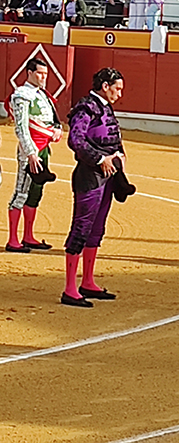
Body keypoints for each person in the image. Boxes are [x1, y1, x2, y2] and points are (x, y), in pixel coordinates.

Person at [62, 67, 126, 307]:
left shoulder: (106, 108)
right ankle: (70, 289)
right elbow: (75, 140)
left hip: (107, 177)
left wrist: (120, 155)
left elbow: (114, 138)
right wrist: (101, 159)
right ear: (105, 86)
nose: (119, 93)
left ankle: (87, 281)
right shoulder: (86, 107)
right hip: (89, 176)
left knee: (97, 229)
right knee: (81, 227)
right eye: (117, 88)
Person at [5, 58, 62, 254]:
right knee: (21, 191)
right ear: (29, 72)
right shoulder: (21, 94)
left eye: (45, 74)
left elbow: (53, 119)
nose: (43, 77)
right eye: (39, 73)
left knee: (36, 191)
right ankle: (12, 240)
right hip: (30, 150)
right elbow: (21, 126)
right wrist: (30, 152)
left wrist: (56, 130)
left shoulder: (43, 95)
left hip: (44, 148)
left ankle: (28, 236)